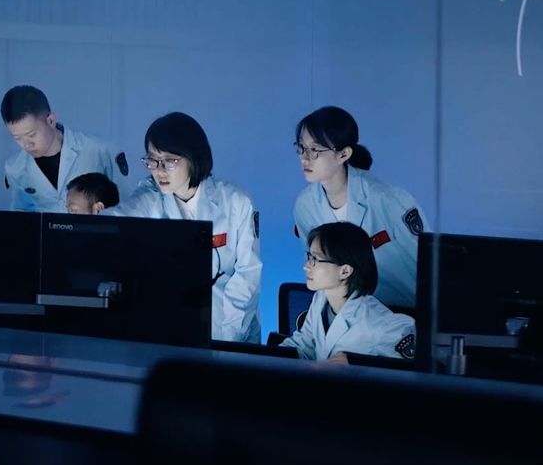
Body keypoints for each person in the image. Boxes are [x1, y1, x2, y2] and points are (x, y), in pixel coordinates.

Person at [102, 112, 262, 343]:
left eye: (170, 161)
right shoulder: (150, 195)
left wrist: (227, 336)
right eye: (152, 160)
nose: (159, 170)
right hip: (174, 329)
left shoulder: (236, 202)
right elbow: (119, 217)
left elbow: (248, 276)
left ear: (194, 157)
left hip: (233, 329)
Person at [293, 105, 429, 309]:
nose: (304, 158)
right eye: (301, 148)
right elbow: (318, 270)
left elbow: (429, 263)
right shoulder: (305, 206)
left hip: (408, 310)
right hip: (353, 312)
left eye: (314, 150)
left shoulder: (387, 199)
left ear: (343, 154)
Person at [281, 222, 416, 362]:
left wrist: (357, 362)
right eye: (309, 256)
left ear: (345, 271)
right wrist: (272, 356)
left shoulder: (377, 323)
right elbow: (305, 345)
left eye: (315, 259)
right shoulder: (320, 299)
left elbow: (423, 356)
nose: (306, 266)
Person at [1, 85, 129, 213]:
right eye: (17, 138)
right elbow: (21, 213)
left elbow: (127, 205)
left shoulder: (100, 151)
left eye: (31, 135)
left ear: (51, 121)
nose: (26, 144)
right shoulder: (15, 167)